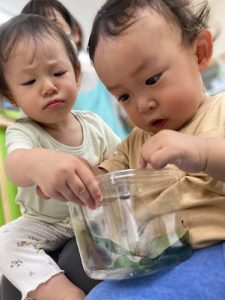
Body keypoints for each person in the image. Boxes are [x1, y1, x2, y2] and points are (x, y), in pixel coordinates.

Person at [73, 0, 225, 299]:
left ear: (199, 53)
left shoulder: (220, 110)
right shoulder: (135, 142)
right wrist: (72, 177)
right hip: (158, 260)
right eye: (124, 96)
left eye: (152, 79)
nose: (143, 104)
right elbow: (102, 182)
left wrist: (202, 153)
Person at [0, 14, 120, 300]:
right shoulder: (24, 131)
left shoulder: (93, 123)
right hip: (44, 224)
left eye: (58, 73)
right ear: (11, 97)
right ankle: (56, 291)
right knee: (5, 241)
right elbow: (15, 165)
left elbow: (121, 160)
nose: (48, 86)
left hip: (95, 219)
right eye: (29, 81)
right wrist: (39, 163)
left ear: (76, 74)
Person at [21, 0, 131, 140]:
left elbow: (134, 118)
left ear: (75, 33)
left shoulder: (103, 74)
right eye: (36, 36)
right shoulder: (32, 102)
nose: (48, 41)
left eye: (56, 27)